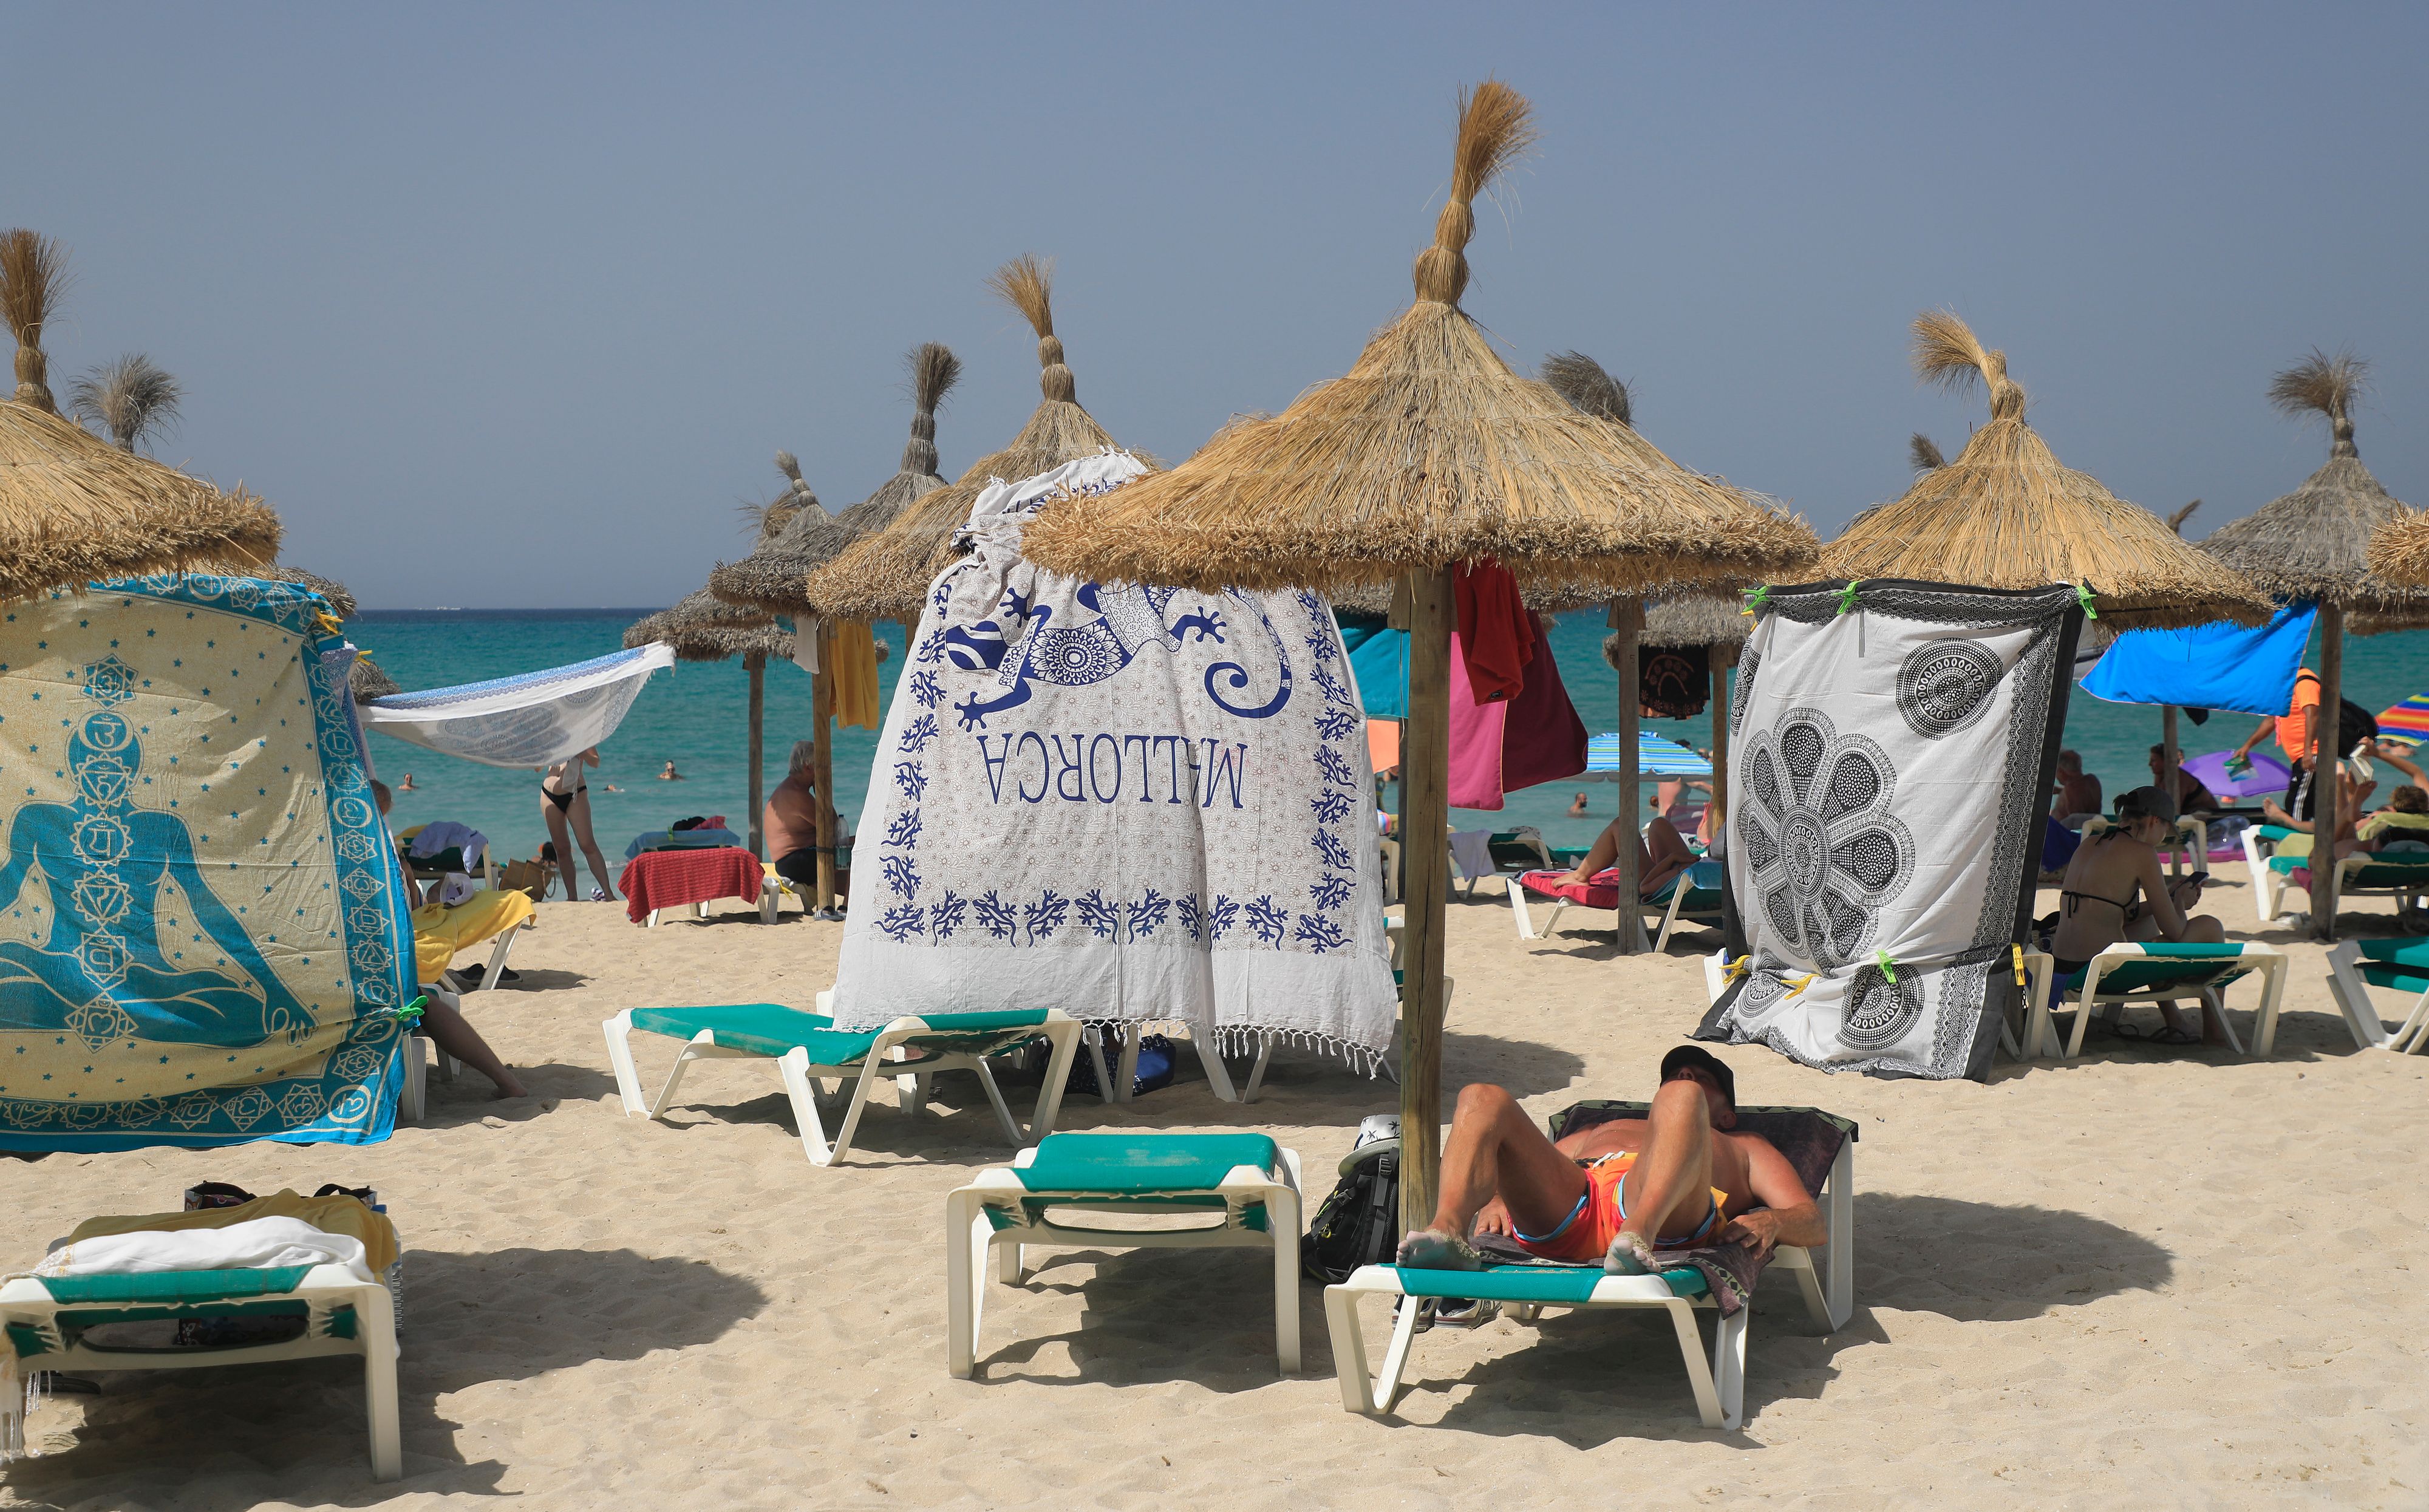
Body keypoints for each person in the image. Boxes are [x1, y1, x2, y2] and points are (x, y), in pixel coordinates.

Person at [1397, 1046, 1825, 1275]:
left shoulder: (1746, 1144)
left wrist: (1775, 1222)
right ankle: (1449, 1231)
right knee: (1480, 1097)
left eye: (1704, 1080)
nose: (1688, 1078)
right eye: (1677, 1075)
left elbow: (1812, 1220)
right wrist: (1496, 1203)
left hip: (1663, 1213)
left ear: (1727, 1114)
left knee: (1682, 1100)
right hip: (1577, 1203)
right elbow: (1520, 1164)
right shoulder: (1603, 1128)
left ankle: (1637, 1233)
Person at [371, 780, 527, 1098]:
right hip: (383, 975)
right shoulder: (377, 856)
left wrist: (411, 881)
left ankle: (507, 1083)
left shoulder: (370, 853)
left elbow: (409, 904)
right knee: (424, 1003)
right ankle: (506, 1083)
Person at [2050, 786, 2230, 1046]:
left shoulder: (2090, 843)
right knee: (2211, 927)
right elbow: (2176, 932)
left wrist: (2167, 897)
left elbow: (2114, 910)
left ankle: (2175, 1020)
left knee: (2147, 925)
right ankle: (2214, 1033)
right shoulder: (2142, 853)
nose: (2163, 837)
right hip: (2101, 971)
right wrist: (2180, 903)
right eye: (2166, 830)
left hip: (2064, 962)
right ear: (2155, 821)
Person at [765, 740, 851, 897]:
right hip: (796, 861)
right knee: (855, 846)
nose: (826, 771)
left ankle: (844, 897)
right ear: (808, 767)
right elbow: (832, 827)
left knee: (850, 876)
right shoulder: (797, 795)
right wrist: (821, 792)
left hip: (791, 861)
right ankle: (838, 901)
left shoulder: (789, 788)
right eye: (822, 766)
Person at [1548, 813, 1698, 896]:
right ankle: (1580, 873)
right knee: (1659, 823)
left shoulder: (1683, 876)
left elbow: (1645, 888)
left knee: (1621, 825)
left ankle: (1580, 876)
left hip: (1660, 879)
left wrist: (1672, 859)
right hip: (1686, 871)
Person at [539, 748, 618, 902]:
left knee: (587, 844)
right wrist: (547, 755)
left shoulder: (581, 730)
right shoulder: (549, 734)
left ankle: (608, 893)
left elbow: (595, 762)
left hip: (576, 792)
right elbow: (536, 768)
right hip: (549, 796)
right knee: (561, 849)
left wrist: (578, 750)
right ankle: (572, 897)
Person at [2232, 667, 2322, 769]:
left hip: (2311, 756)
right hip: (2300, 758)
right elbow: (2272, 720)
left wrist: (2308, 751)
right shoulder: (2288, 683)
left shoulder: (2304, 681)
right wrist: (2247, 746)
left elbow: (2314, 715)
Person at [2147, 745, 2219, 815]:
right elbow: (2157, 802)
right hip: (2189, 817)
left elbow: (2173, 809)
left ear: (2165, 761)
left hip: (2209, 818)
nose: (2150, 764)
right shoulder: (2160, 775)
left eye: (2153, 761)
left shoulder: (2179, 778)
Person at [2357, 784, 2429, 853]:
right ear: (2426, 804)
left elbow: (2358, 838)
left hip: (2383, 859)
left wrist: (2371, 818)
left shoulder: (2385, 818)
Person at [2050, 749, 2102, 826]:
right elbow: (2082, 796)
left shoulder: (2071, 790)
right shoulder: (2092, 781)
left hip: (2061, 834)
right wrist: (2060, 791)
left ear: (2061, 771)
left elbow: (2075, 822)